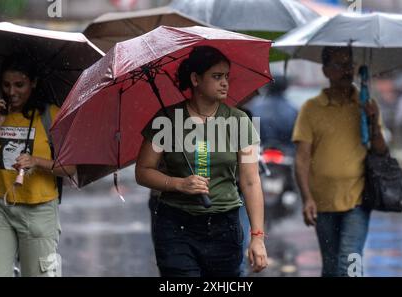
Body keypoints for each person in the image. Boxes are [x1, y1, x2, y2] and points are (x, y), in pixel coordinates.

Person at [135, 46, 267, 277]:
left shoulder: (239, 121)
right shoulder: (167, 120)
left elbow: (250, 181)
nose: (225, 83)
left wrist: (257, 237)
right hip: (176, 224)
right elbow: (143, 171)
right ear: (195, 79)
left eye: (226, 76)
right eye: (216, 77)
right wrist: (178, 184)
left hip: (224, 225)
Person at [292, 46, 388, 277]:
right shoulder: (311, 108)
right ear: (325, 71)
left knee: (350, 262)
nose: (346, 71)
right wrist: (307, 199)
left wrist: (373, 122)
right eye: (338, 65)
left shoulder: (365, 105)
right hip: (322, 202)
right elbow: (302, 157)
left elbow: (381, 151)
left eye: (349, 65)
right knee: (331, 267)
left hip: (357, 199)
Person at [0, 55, 76, 277]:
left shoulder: (52, 115)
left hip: (40, 211)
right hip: (1, 207)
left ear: (33, 83)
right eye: (6, 85)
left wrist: (36, 161)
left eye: (19, 85)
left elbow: (70, 168)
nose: (11, 91)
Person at [248, 75, 298, 154]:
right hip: (287, 151)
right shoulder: (292, 109)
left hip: (259, 151)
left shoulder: (254, 107)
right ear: (285, 88)